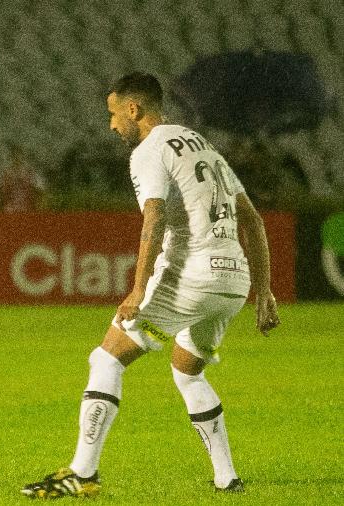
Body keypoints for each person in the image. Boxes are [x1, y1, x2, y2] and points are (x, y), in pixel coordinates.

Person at [21, 73, 280, 499]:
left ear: (133, 110)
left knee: (106, 358)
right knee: (187, 370)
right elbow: (252, 218)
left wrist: (139, 288)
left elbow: (153, 217)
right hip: (232, 281)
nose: (111, 125)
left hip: (191, 272)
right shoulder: (202, 145)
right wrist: (264, 291)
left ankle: (82, 475)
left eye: (113, 114)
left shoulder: (148, 150)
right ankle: (226, 477)